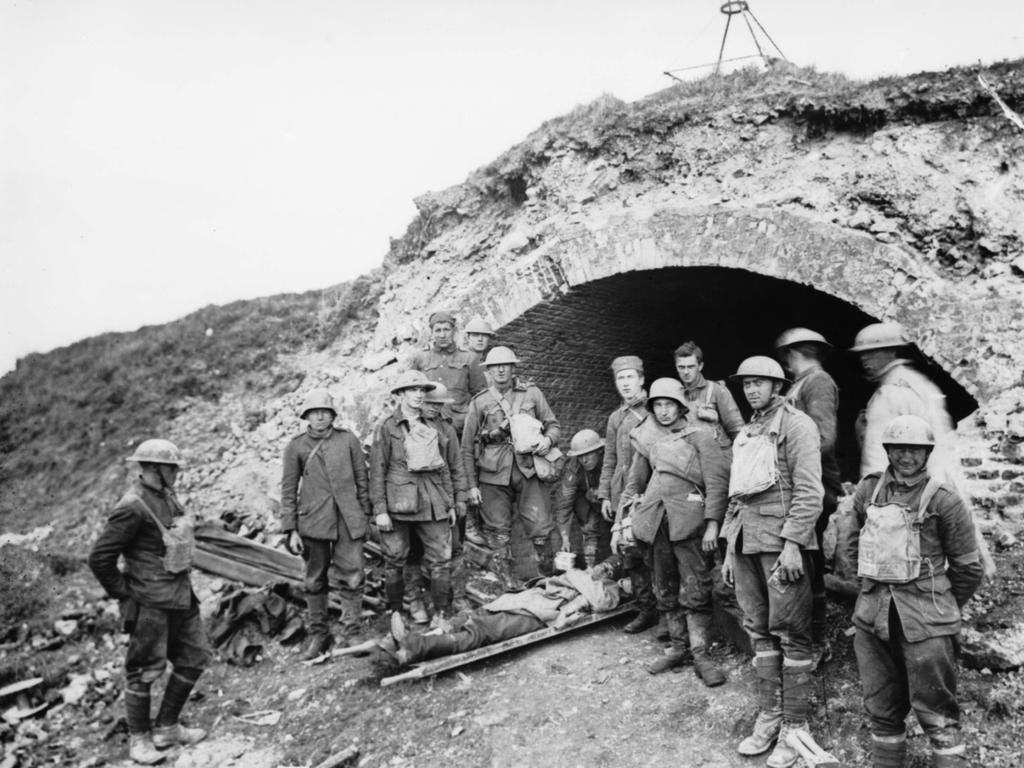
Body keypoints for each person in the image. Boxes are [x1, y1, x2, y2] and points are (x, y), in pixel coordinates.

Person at [847, 415, 983, 768]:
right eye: (898, 448)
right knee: (881, 707)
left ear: (927, 453)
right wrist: (865, 593)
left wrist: (942, 608)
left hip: (926, 621)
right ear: (888, 450)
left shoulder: (945, 501)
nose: (906, 456)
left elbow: (968, 567)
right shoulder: (869, 490)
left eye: (915, 450)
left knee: (937, 712)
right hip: (873, 619)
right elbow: (850, 549)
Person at [721, 356, 824, 767]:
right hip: (746, 543)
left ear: (777, 386)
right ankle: (770, 716)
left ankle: (796, 726)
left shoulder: (797, 426)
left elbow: (809, 491)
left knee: (792, 633)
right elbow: (737, 493)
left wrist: (795, 543)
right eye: (746, 384)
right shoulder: (748, 430)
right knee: (758, 630)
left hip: (781, 546)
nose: (752, 390)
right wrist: (730, 548)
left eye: (760, 383)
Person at [88, 439, 211, 765]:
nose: (177, 473)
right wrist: (125, 593)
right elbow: (100, 558)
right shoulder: (132, 506)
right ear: (155, 469)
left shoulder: (166, 496)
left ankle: (167, 728)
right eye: (172, 468)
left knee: (195, 657)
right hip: (150, 603)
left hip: (181, 596)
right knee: (143, 671)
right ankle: (139, 739)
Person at [851, 321, 996, 579]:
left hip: (912, 489)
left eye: (872, 352)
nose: (865, 360)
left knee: (904, 558)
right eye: (862, 355)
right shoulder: (920, 384)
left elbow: (877, 454)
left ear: (892, 352)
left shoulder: (890, 392)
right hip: (940, 481)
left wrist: (869, 499)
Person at [623, 378, 730, 683]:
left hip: (690, 524)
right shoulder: (650, 441)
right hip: (657, 524)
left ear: (681, 406)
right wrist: (624, 519)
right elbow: (636, 483)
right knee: (665, 588)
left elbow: (716, 484)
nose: (664, 411)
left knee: (695, 588)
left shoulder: (702, 436)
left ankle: (701, 654)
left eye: (669, 404)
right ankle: (677, 648)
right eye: (658, 405)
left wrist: (712, 525)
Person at [382, 557, 624, 664]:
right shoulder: (587, 575)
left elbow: (600, 603)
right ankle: (408, 640)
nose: (600, 570)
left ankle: (415, 648)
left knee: (484, 630)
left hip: (542, 615)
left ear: (614, 576)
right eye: (602, 566)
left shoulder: (609, 589)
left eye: (607, 570)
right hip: (532, 599)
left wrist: (582, 580)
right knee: (478, 614)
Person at [280, 388, 371, 659]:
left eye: (325, 411)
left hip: (348, 518)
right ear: (306, 416)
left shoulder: (348, 440)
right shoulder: (296, 446)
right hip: (313, 521)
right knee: (314, 579)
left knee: (353, 575)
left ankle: (351, 631)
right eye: (314, 412)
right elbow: (288, 489)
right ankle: (319, 633)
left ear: (332, 414)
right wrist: (290, 528)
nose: (320, 416)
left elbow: (362, 478)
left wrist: (364, 515)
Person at [461, 345, 562, 588]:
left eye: (505, 365)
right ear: (488, 371)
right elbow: (466, 447)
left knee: (541, 528)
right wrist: (471, 486)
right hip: (492, 476)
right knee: (497, 532)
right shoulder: (480, 402)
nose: (501, 370)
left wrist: (548, 440)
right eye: (495, 367)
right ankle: (509, 585)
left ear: (513, 367)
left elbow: (554, 425)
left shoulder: (532, 394)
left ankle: (549, 579)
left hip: (529, 469)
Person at [371, 371, 465, 628]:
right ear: (401, 394)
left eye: (422, 390)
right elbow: (377, 470)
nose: (418, 395)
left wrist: (450, 502)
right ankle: (397, 615)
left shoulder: (434, 425)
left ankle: (441, 615)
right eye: (412, 390)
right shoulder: (386, 426)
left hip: (432, 501)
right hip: (398, 502)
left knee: (440, 560)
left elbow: (444, 467)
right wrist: (380, 509)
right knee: (395, 559)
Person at [775, 327, 841, 662]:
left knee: (809, 564)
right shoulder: (800, 384)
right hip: (798, 483)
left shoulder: (818, 382)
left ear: (793, 353)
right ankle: (802, 635)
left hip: (814, 484)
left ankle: (817, 642)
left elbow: (824, 437)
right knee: (799, 561)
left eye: (785, 354)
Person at [596, 355, 660, 636]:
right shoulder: (615, 417)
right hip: (623, 491)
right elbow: (610, 457)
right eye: (620, 379)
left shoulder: (655, 409)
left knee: (657, 552)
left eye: (630, 377)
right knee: (629, 553)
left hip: (649, 490)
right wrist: (606, 494)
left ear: (642, 379)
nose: (625, 384)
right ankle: (646, 609)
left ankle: (668, 613)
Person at [407, 310, 487, 435]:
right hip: (427, 426)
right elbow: (409, 392)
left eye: (446, 330)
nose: (442, 335)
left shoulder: (469, 358)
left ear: (454, 331)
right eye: (438, 330)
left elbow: (480, 396)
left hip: (460, 426)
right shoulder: (421, 358)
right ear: (431, 333)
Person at [553, 428, 610, 570]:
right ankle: (590, 567)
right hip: (585, 496)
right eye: (580, 456)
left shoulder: (611, 460)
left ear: (599, 451)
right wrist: (565, 537)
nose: (584, 460)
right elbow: (564, 504)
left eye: (589, 454)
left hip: (612, 496)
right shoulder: (573, 469)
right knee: (590, 527)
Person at [674, 340, 745, 451]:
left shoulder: (717, 390)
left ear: (700, 366)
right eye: (681, 367)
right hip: (689, 458)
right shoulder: (675, 394)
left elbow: (736, 430)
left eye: (691, 367)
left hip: (718, 457)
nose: (686, 372)